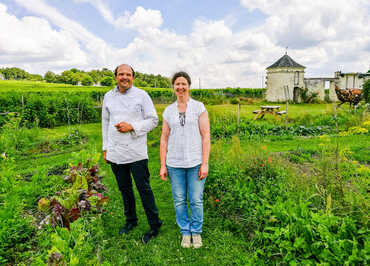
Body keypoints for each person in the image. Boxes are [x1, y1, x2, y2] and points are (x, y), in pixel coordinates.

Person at [102, 64, 162, 244]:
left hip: (136, 152)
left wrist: (132, 127)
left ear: (133, 78)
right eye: (121, 74)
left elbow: (153, 120)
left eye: (128, 74)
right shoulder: (108, 97)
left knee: (144, 189)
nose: (124, 77)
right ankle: (131, 221)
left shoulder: (142, 96)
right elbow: (105, 122)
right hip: (116, 152)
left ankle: (154, 224)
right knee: (125, 189)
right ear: (115, 77)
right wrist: (106, 148)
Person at [160, 71, 210, 248]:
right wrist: (162, 165)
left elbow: (205, 136)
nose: (180, 87)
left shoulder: (199, 107)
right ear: (173, 87)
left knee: (196, 199)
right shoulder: (168, 111)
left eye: (183, 84)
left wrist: (205, 163)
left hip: (195, 162)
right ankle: (185, 231)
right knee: (179, 199)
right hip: (174, 164)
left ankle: (196, 231)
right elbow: (164, 138)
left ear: (189, 86)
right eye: (177, 84)